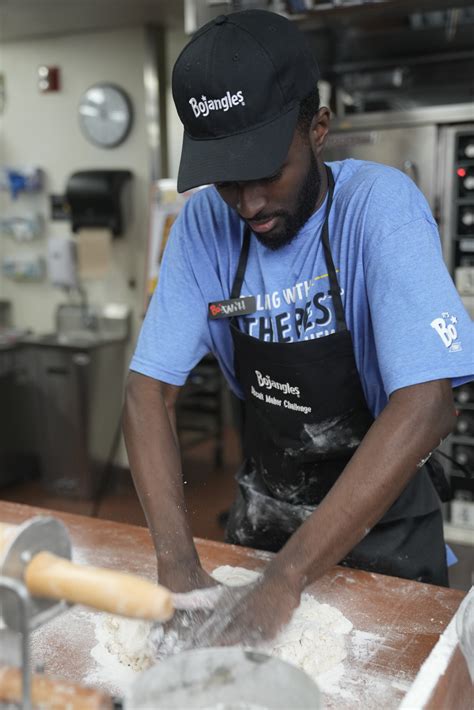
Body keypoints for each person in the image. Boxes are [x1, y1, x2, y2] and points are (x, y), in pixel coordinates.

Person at [123, 9, 474, 644]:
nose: (248, 203)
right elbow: (148, 391)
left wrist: (285, 582)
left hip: (385, 528)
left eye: (265, 172)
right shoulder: (204, 226)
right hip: (264, 518)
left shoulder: (378, 208)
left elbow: (427, 404)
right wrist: (176, 563)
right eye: (228, 180)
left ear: (317, 129)